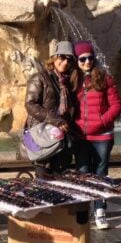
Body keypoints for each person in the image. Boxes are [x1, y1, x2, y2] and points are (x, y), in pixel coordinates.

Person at [72, 40, 121, 230]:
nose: (87, 62)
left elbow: (117, 105)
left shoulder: (104, 78)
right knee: (83, 173)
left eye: (90, 58)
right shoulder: (73, 81)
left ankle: (100, 211)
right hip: (81, 137)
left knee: (100, 174)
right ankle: (83, 211)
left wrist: (102, 121)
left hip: (102, 136)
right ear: (76, 60)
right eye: (82, 59)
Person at [23, 41, 78, 177]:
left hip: (61, 138)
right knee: (43, 179)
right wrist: (56, 120)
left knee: (59, 180)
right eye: (62, 57)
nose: (65, 62)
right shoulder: (39, 78)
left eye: (69, 59)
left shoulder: (67, 82)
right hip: (43, 135)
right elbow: (30, 104)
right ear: (54, 58)